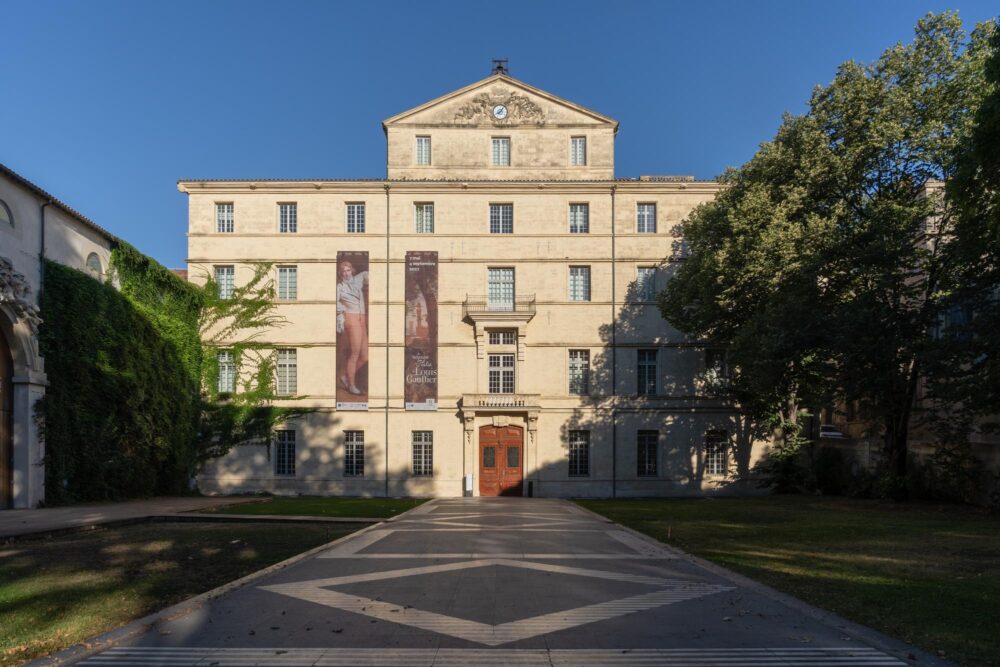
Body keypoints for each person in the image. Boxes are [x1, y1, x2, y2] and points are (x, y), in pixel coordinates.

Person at [336, 259, 369, 396]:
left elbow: (368, 274)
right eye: (343, 271)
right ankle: (352, 385)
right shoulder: (339, 287)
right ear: (340, 273)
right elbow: (336, 302)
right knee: (355, 354)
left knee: (365, 356)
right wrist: (341, 314)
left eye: (348, 270)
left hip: (362, 318)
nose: (346, 273)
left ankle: (345, 377)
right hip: (351, 317)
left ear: (352, 270)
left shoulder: (358, 279)